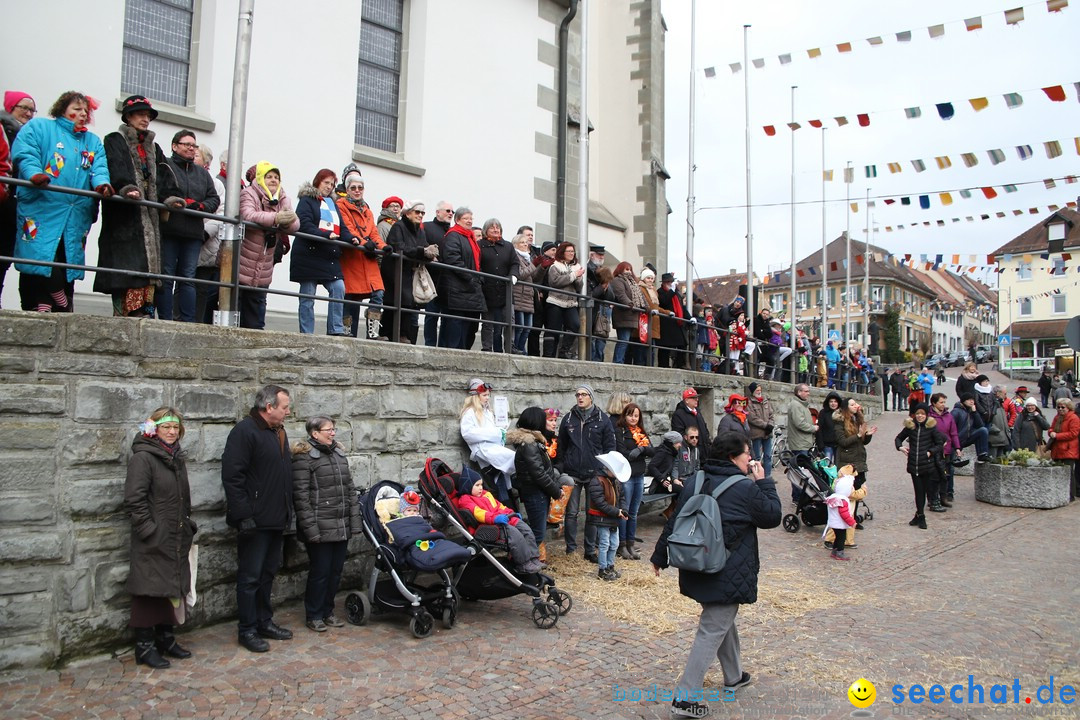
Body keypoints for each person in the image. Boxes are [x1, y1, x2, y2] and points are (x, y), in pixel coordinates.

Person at [651, 431, 781, 718]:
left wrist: (660, 556)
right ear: (734, 457)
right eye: (747, 453)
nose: (751, 458)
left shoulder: (696, 479)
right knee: (713, 627)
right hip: (725, 569)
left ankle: (733, 675)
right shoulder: (746, 489)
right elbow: (772, 516)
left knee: (721, 617)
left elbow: (674, 520)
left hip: (695, 566)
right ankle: (684, 700)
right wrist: (765, 482)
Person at [11, 91, 112, 312]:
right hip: (41, 207)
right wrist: (34, 173)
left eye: (86, 111)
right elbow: (25, 153)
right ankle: (46, 302)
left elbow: (99, 169)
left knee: (66, 258)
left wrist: (102, 184)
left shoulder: (92, 141)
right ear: (62, 109)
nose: (82, 114)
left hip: (76, 213)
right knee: (39, 254)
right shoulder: (39, 128)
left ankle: (57, 304)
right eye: (76, 109)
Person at [221, 386, 295, 653]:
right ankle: (247, 629)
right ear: (268, 407)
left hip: (276, 518)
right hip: (255, 520)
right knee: (250, 577)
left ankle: (264, 621)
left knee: (267, 574)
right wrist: (244, 516)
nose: (288, 411)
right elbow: (233, 477)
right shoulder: (245, 432)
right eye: (285, 407)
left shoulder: (278, 432)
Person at [95, 95, 184, 317]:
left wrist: (171, 196)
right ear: (128, 116)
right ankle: (125, 315)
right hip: (125, 216)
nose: (145, 119)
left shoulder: (154, 148)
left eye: (148, 115)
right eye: (140, 114)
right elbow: (116, 166)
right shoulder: (115, 139)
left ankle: (145, 312)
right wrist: (125, 187)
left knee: (149, 271)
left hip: (149, 217)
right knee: (128, 266)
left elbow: (164, 174)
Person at [124, 407, 197, 669]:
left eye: (176, 427)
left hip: (175, 535)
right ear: (154, 429)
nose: (171, 431)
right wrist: (149, 531)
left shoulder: (175, 457)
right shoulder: (144, 458)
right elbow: (134, 500)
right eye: (166, 427)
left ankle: (166, 638)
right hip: (155, 537)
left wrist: (187, 525)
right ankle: (144, 646)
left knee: (172, 589)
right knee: (149, 591)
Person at [291, 416, 361, 633]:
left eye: (333, 429)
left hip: (340, 524)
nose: (332, 433)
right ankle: (314, 614)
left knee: (335, 572)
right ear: (315, 433)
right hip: (319, 526)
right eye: (328, 430)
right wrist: (310, 529)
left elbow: (349, 490)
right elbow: (301, 498)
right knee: (320, 572)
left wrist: (354, 521)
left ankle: (328, 611)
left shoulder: (339, 455)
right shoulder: (304, 459)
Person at [158, 130, 220, 321]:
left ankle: (187, 320)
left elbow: (214, 199)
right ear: (174, 146)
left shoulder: (202, 173)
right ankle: (166, 318)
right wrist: (176, 201)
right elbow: (159, 190)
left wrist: (200, 207)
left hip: (194, 232)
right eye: (187, 144)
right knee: (167, 276)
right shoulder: (165, 166)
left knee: (188, 278)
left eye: (193, 146)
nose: (191, 149)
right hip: (170, 229)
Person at [557, 384, 616, 561]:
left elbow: (610, 447)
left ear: (591, 397)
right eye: (577, 395)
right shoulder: (568, 419)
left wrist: (605, 470)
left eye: (584, 394)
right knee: (572, 513)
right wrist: (562, 465)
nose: (580, 397)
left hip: (595, 473)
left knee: (592, 513)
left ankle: (590, 550)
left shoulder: (602, 419)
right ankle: (571, 550)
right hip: (573, 472)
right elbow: (561, 445)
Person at [237, 162, 299, 329]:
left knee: (257, 313)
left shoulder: (283, 197)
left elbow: (295, 225)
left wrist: (286, 220)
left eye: (276, 177)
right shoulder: (248, 193)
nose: (273, 180)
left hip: (264, 263)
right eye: (269, 177)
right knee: (238, 306)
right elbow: (247, 215)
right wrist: (276, 218)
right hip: (243, 260)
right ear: (260, 179)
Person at [507, 407, 565, 565]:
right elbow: (538, 473)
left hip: (537, 493)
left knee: (536, 531)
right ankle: (527, 563)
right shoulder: (530, 444)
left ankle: (528, 561)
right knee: (537, 534)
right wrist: (555, 490)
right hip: (535, 493)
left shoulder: (532, 442)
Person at [455, 469, 542, 574]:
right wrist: (494, 518)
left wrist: (511, 513)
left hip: (501, 519)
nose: (481, 488)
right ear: (467, 486)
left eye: (481, 484)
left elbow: (499, 506)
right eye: (477, 485)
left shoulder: (486, 494)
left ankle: (533, 558)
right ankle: (523, 564)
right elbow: (478, 513)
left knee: (525, 528)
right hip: (488, 526)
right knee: (514, 534)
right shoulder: (466, 500)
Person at [292, 169, 347, 336]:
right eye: (326, 183)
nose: (329, 187)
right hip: (309, 254)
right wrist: (325, 235)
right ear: (318, 182)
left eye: (332, 184)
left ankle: (336, 329)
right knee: (308, 295)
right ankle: (307, 333)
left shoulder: (332, 204)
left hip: (328, 255)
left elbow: (342, 228)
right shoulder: (307, 200)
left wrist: (353, 239)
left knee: (339, 288)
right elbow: (305, 224)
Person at [335, 171, 385, 340]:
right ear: (347, 189)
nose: (357, 191)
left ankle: (373, 333)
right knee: (351, 296)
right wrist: (365, 243)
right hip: (352, 259)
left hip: (367, 259)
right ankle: (347, 333)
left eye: (360, 188)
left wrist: (383, 246)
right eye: (353, 188)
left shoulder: (367, 210)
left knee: (378, 292)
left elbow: (374, 232)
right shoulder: (341, 205)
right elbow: (348, 229)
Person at [382, 200, 436, 344]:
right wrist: (422, 251)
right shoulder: (398, 227)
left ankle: (402, 334)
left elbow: (422, 246)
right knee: (396, 301)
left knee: (409, 302)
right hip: (395, 270)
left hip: (409, 270)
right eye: (417, 212)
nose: (420, 215)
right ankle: (390, 333)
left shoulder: (419, 230)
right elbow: (399, 246)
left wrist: (430, 253)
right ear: (408, 212)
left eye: (422, 213)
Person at [0, 91, 35, 305]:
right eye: (24, 108)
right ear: (11, 107)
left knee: (8, 253)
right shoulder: (5, 130)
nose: (29, 113)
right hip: (5, 199)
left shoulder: (31, 135)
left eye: (32, 109)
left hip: (20, 203)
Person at [459, 378, 517, 502]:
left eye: (488, 395)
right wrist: (496, 433)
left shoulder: (487, 412)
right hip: (485, 453)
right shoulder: (470, 413)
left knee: (505, 482)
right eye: (484, 395)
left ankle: (510, 508)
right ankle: (508, 510)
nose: (487, 398)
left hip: (493, 450)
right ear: (476, 396)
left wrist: (499, 432)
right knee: (501, 481)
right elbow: (468, 434)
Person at [895, 402, 947, 530]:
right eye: (917, 414)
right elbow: (898, 438)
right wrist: (900, 448)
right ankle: (921, 516)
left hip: (927, 466)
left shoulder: (931, 428)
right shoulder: (910, 427)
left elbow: (940, 443)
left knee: (925, 491)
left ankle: (919, 515)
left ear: (926, 415)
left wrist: (930, 452)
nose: (920, 416)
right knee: (918, 492)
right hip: (914, 465)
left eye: (922, 414)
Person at [440, 207, 485, 350]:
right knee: (456, 323)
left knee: (469, 324)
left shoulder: (469, 237)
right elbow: (452, 259)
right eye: (466, 218)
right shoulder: (453, 235)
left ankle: (463, 350)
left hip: (469, 288)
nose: (469, 221)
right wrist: (471, 277)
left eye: (471, 218)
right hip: (457, 288)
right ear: (457, 220)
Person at [614, 403, 653, 560]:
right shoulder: (620, 431)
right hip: (626, 475)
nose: (633, 418)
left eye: (636, 416)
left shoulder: (641, 432)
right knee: (625, 511)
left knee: (634, 512)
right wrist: (637, 452)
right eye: (630, 415)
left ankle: (630, 543)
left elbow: (652, 450)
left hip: (639, 474)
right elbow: (623, 452)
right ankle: (621, 545)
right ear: (625, 415)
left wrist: (642, 450)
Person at [194, 144, 226, 323]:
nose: (192, 154)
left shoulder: (216, 184)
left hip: (207, 242)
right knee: (181, 284)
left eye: (197, 154)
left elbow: (220, 213)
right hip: (187, 238)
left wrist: (204, 233)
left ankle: (198, 325)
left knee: (202, 291)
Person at [588, 452, 629, 581]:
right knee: (604, 543)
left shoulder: (614, 481)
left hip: (612, 517)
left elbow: (622, 497)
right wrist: (618, 511)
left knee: (614, 544)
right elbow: (600, 503)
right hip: (602, 517)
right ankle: (602, 569)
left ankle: (610, 566)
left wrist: (624, 510)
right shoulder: (597, 481)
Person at [478, 218, 516, 353]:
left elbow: (514, 264)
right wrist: (482, 278)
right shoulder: (479, 245)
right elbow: (477, 264)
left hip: (505, 288)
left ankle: (509, 347)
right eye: (492, 228)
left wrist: (513, 276)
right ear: (485, 230)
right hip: (487, 289)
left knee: (509, 320)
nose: (496, 230)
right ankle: (487, 347)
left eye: (498, 228)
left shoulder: (508, 246)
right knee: (488, 322)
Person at [544, 242, 586, 359]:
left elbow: (578, 287)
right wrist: (573, 275)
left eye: (573, 251)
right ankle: (548, 355)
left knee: (575, 325)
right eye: (569, 251)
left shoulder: (576, 267)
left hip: (570, 303)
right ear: (562, 252)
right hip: (555, 301)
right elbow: (555, 282)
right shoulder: (555, 266)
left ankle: (564, 352)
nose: (572, 253)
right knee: (553, 329)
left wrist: (578, 277)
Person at [422, 200, 453, 347]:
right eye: (447, 211)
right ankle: (430, 344)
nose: (450, 214)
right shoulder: (427, 227)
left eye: (452, 212)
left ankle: (443, 346)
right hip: (431, 278)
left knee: (446, 317)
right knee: (431, 315)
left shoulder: (452, 232)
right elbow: (421, 243)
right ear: (438, 212)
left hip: (448, 280)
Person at [610, 262, 648, 365]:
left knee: (625, 341)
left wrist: (646, 307)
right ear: (620, 269)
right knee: (623, 340)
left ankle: (620, 361)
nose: (629, 272)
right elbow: (621, 295)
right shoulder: (617, 280)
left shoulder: (633, 282)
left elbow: (641, 296)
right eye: (626, 269)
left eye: (630, 269)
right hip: (623, 315)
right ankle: (618, 362)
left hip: (631, 315)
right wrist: (631, 304)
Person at [928, 393, 960, 510]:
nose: (943, 405)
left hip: (946, 449)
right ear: (934, 403)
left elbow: (953, 433)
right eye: (941, 402)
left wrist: (957, 447)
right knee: (933, 475)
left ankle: (943, 497)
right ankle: (932, 498)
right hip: (933, 450)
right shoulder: (929, 416)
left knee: (945, 475)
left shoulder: (948, 416)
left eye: (944, 402)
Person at [510, 233, 541, 354]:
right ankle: (516, 348)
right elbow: (521, 275)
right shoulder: (515, 257)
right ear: (515, 245)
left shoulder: (527, 258)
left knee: (528, 328)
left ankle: (521, 349)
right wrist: (534, 265)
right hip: (519, 295)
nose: (525, 244)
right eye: (522, 242)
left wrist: (541, 267)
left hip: (528, 296)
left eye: (526, 242)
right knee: (520, 327)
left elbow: (534, 277)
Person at [1048, 398, 1080, 500]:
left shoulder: (1074, 418)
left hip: (1068, 450)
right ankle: (1060, 493)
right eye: (1058, 407)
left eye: (1063, 407)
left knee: (1068, 473)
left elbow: (1073, 434)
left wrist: (1057, 435)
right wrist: (1051, 432)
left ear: (1068, 408)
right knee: (1058, 472)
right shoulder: (1057, 417)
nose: (1060, 409)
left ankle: (1070, 495)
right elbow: (1051, 428)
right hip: (1057, 449)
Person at [656, 273, 687, 368]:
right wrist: (671, 292)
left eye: (671, 282)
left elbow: (682, 307)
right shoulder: (660, 291)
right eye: (668, 282)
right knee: (665, 346)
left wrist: (690, 317)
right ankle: (663, 365)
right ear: (664, 283)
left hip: (676, 322)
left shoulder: (676, 293)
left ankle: (680, 364)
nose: (670, 283)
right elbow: (663, 301)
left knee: (682, 344)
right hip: (666, 323)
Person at [824, 472, 857, 561]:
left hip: (833, 522)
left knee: (837, 537)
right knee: (842, 537)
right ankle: (839, 552)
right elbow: (844, 514)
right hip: (839, 523)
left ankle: (834, 551)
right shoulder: (843, 500)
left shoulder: (833, 497)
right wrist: (852, 522)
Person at [746, 382, 775, 478]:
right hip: (756, 433)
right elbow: (752, 418)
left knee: (768, 456)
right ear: (753, 391)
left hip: (767, 433)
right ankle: (758, 476)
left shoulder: (766, 401)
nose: (759, 392)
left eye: (760, 390)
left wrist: (770, 425)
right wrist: (766, 425)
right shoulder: (749, 403)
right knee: (757, 457)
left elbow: (771, 415)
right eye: (757, 390)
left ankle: (768, 476)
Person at [638, 268, 661, 365]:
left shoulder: (654, 290)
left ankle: (650, 365)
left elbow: (657, 306)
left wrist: (668, 312)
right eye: (648, 278)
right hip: (645, 321)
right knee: (644, 346)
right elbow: (646, 304)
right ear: (643, 278)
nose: (650, 280)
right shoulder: (641, 288)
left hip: (654, 321)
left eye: (652, 278)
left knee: (652, 347)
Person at [987, 385, 1013, 458]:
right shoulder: (990, 403)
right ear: (998, 393)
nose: (1006, 396)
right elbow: (986, 420)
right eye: (1005, 394)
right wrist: (995, 429)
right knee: (992, 461)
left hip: (1001, 438)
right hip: (994, 438)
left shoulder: (999, 403)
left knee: (999, 460)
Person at [816, 392, 842, 462]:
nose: (833, 403)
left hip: (839, 445)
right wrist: (820, 445)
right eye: (831, 401)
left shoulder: (842, 413)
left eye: (835, 401)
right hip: (827, 445)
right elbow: (819, 429)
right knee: (827, 466)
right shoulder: (823, 413)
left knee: (839, 467)